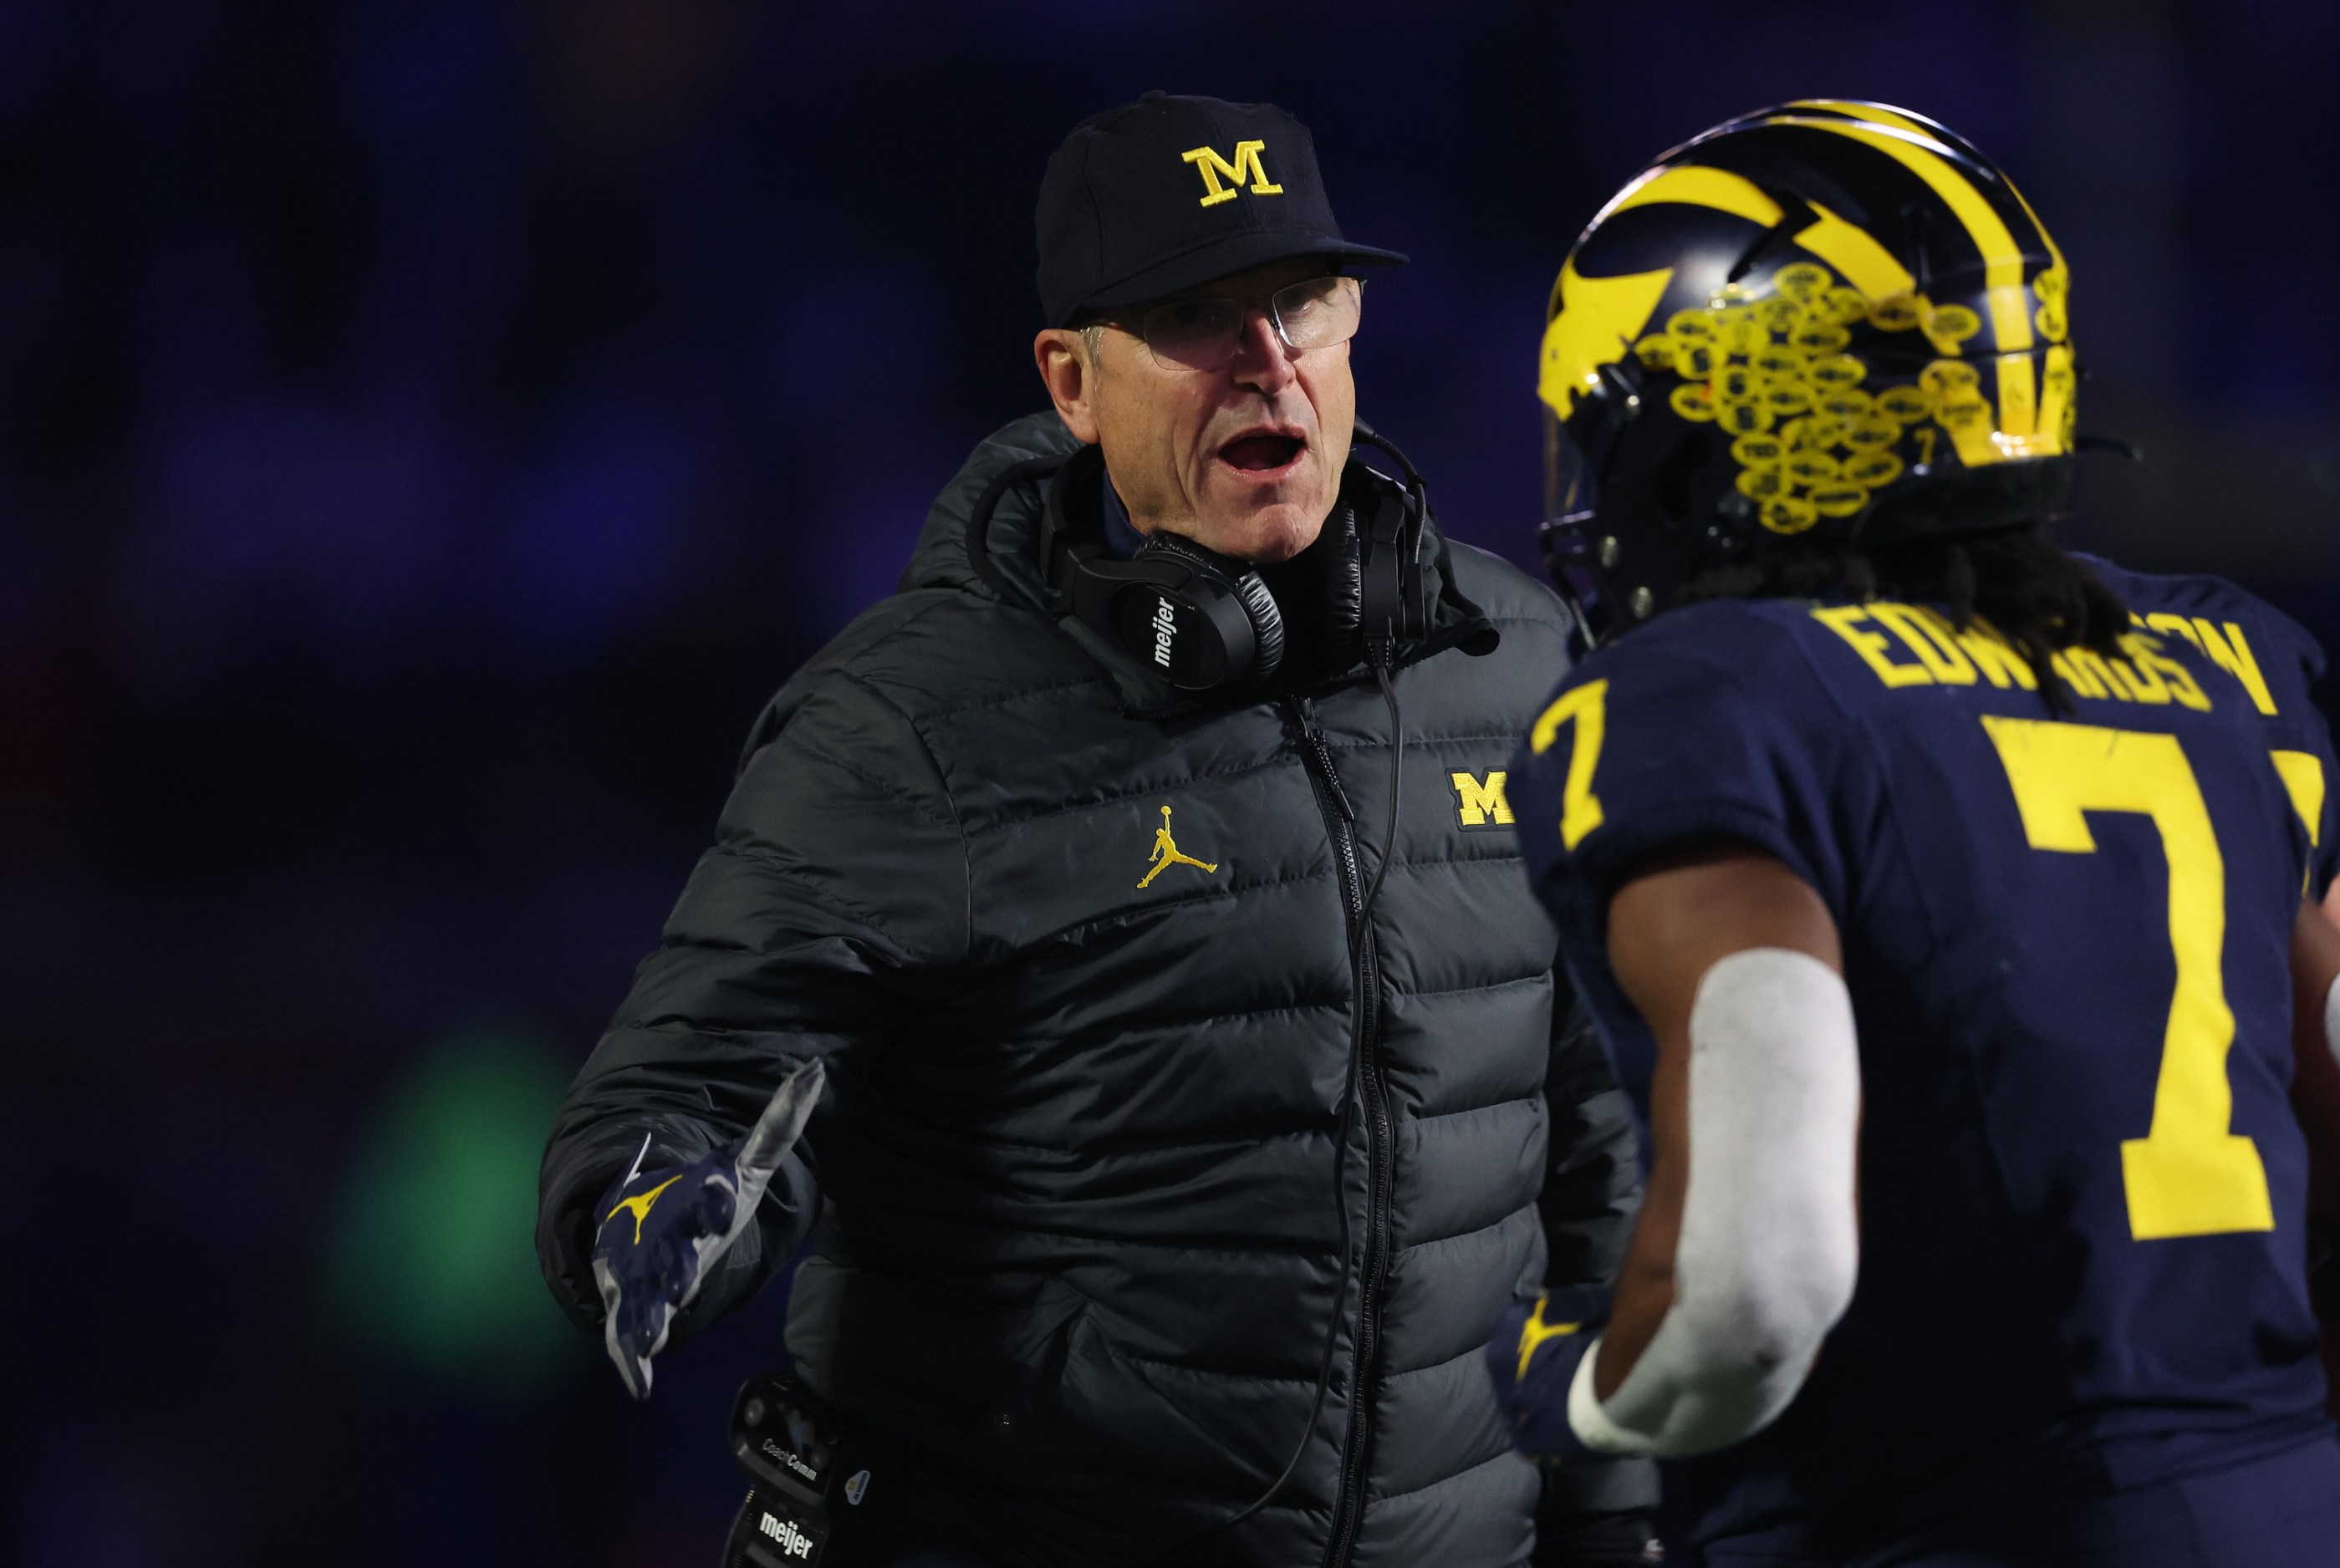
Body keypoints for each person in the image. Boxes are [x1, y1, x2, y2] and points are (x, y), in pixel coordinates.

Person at [536, 93, 1658, 1568]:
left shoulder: (1514, 663)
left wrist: (1615, 1525)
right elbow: (699, 1080)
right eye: (1198, 317)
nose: (1271, 365)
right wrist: (649, 1195)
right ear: (1072, 381)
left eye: (1305, 303)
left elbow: (1582, 1150)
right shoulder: (911, 725)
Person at [1480, 99, 2340, 1565]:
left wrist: (1577, 1387)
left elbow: (1756, 1283)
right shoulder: (2209, 666)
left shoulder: (1715, 697)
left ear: (1709, 427)